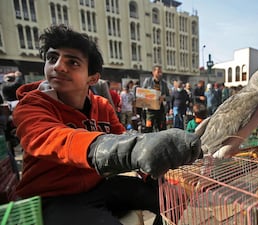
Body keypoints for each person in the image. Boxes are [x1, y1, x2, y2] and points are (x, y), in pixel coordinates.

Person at [11, 24, 201, 225]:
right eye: (52, 58)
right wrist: (131, 148)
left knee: (173, 197)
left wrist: (153, 170)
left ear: (92, 78)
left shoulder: (101, 105)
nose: (58, 66)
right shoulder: (31, 105)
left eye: (72, 62)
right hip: (53, 198)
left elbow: (121, 137)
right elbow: (57, 139)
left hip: (98, 187)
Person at [142, 65, 170, 132]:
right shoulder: (147, 81)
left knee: (162, 128)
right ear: (153, 72)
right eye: (158, 72)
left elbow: (169, 97)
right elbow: (142, 94)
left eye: (161, 72)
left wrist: (164, 98)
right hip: (150, 109)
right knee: (148, 127)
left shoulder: (164, 83)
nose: (160, 73)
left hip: (160, 109)